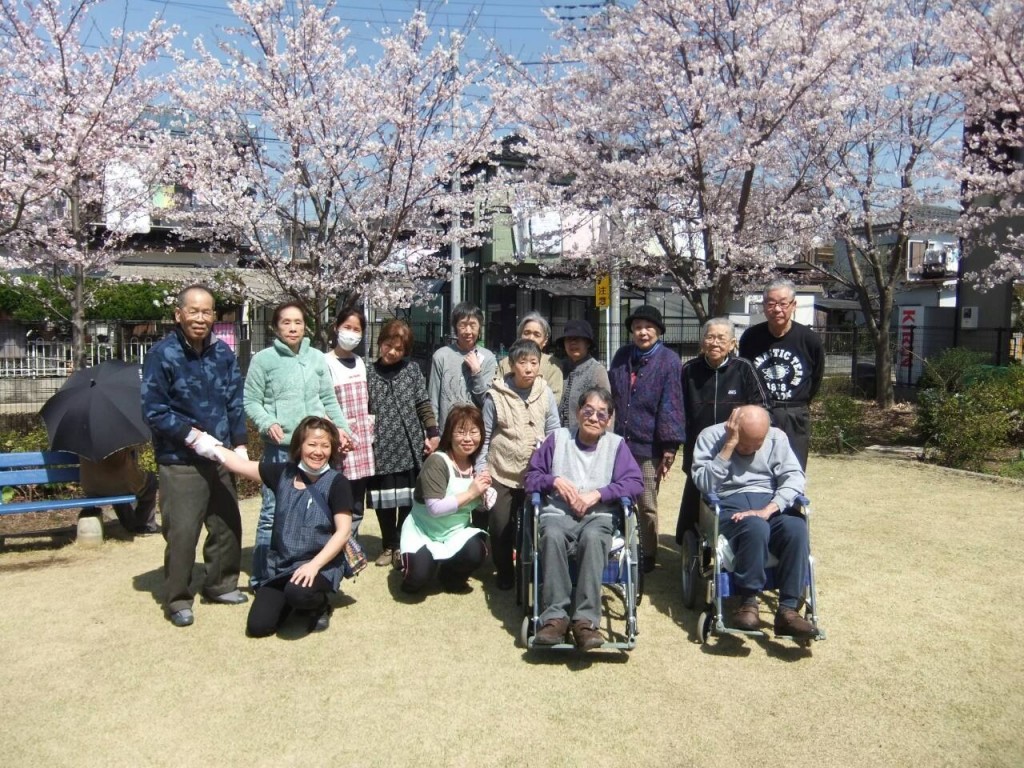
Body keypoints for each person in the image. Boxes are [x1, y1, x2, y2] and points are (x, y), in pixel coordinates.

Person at [141, 285, 248, 628]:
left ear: (214, 316)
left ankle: (220, 584)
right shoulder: (163, 354)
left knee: (227, 524)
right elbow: (154, 411)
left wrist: (240, 444)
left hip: (220, 457)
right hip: (180, 459)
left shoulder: (223, 353)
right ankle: (178, 598)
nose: (200, 318)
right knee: (183, 531)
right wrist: (192, 437)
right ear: (178, 314)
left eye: (207, 312)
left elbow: (235, 399)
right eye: (194, 311)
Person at [188, 416, 353, 637]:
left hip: (320, 564)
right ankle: (290, 599)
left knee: (299, 593)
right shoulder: (283, 473)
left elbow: (343, 532)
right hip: (283, 566)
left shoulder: (337, 482)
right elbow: (239, 465)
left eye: (325, 446)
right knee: (259, 627)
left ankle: (319, 604)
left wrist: (313, 566)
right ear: (299, 446)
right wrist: (201, 440)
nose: (318, 451)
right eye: (312, 444)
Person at [524, 387, 643, 650]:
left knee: (592, 537)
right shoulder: (557, 439)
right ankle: (555, 617)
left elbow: (635, 483)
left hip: (597, 515)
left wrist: (599, 494)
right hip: (558, 513)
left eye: (602, 414)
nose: (594, 418)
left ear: (609, 420)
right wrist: (552, 480)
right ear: (578, 413)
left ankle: (585, 622)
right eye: (588, 411)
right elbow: (531, 478)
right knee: (552, 535)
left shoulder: (616, 445)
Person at [244, 301, 351, 590]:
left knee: (315, 510)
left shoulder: (317, 358)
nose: (293, 328)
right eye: (286, 322)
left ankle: (315, 572)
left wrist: (343, 429)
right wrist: (267, 422)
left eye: (298, 322)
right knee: (271, 514)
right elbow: (251, 401)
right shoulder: (263, 360)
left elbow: (329, 400)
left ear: (306, 326)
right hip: (281, 447)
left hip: (314, 449)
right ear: (275, 327)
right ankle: (262, 578)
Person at [691, 405, 817, 637]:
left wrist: (769, 508)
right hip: (729, 504)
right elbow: (705, 484)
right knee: (755, 527)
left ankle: (788, 610)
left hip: (769, 502)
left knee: (796, 527)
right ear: (733, 428)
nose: (750, 450)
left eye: (757, 444)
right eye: (745, 443)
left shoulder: (777, 438)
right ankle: (748, 601)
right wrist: (729, 447)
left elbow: (794, 477)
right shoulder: (709, 437)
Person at [675, 317, 770, 543]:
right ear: (701, 342)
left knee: (730, 494)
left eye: (721, 338)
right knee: (696, 493)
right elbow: (678, 409)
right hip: (699, 447)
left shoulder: (744, 368)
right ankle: (691, 544)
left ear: (732, 343)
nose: (714, 343)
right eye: (709, 337)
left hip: (736, 449)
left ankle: (731, 538)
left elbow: (763, 407)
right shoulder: (689, 370)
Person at [476, 338, 560, 590]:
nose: (529, 368)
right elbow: (486, 437)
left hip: (535, 474)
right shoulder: (495, 396)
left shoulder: (544, 392)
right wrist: (482, 471)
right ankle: (504, 572)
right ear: (511, 365)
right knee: (500, 526)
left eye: (534, 362)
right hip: (501, 472)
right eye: (522, 363)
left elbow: (554, 429)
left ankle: (530, 570)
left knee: (535, 526)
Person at [608, 305, 686, 573]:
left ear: (658, 331)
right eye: (638, 327)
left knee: (646, 503)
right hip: (618, 442)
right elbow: (611, 397)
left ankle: (648, 552)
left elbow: (672, 404)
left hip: (649, 445)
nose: (643, 332)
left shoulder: (669, 360)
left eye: (649, 327)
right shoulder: (621, 356)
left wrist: (669, 447)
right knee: (615, 497)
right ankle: (618, 547)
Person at [367, 319, 440, 568]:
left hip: (409, 446)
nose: (393, 352)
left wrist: (432, 432)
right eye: (389, 345)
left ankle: (401, 543)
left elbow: (423, 403)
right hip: (380, 447)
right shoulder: (367, 372)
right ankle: (388, 545)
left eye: (399, 349)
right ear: (380, 342)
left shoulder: (412, 370)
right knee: (384, 501)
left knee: (408, 501)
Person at [398, 404, 490, 594]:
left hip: (455, 531)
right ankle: (413, 566)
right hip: (423, 531)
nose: (468, 438)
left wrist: (486, 497)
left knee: (476, 552)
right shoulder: (437, 461)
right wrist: (472, 493)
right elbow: (435, 508)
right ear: (449, 433)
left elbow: (479, 508)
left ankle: (449, 575)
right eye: (461, 432)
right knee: (417, 581)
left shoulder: (477, 464)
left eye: (474, 432)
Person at [738, 278, 824, 469]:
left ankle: (790, 500)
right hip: (760, 412)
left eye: (783, 303)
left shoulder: (809, 339)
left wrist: (800, 404)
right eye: (771, 303)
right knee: (758, 468)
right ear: (764, 306)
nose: (777, 309)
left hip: (794, 412)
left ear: (794, 305)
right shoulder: (751, 338)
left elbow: (816, 377)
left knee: (793, 468)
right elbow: (744, 373)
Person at [325, 306, 375, 539]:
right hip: (337, 442)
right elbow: (321, 403)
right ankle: (333, 542)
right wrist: (336, 433)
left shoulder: (361, 363)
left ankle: (350, 546)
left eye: (357, 330)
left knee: (357, 500)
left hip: (361, 443)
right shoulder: (325, 362)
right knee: (336, 496)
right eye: (347, 327)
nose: (351, 333)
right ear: (336, 327)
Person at [428, 302, 497, 430]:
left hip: (475, 434)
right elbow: (433, 399)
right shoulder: (441, 356)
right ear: (455, 328)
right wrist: (433, 431)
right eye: (463, 325)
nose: (468, 331)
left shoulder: (488, 358)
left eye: (473, 325)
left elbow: (487, 402)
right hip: (447, 432)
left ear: (480, 327)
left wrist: (477, 372)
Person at [79, 447, 159, 534]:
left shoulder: (82, 438)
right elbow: (136, 446)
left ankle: (130, 523)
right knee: (150, 481)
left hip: (91, 487)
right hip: (118, 485)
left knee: (118, 487)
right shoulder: (120, 437)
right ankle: (145, 525)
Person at [495, 311, 564, 404]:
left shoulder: (553, 366)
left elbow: (553, 401)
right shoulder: (505, 363)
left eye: (537, 334)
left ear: (545, 340)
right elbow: (496, 395)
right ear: (520, 336)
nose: (531, 338)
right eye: (526, 333)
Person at [555, 318, 610, 432]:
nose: (573, 343)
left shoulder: (597, 370)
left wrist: (604, 440)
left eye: (577, 339)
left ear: (588, 343)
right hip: (558, 436)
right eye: (569, 339)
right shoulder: (558, 367)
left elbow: (607, 407)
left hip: (586, 437)